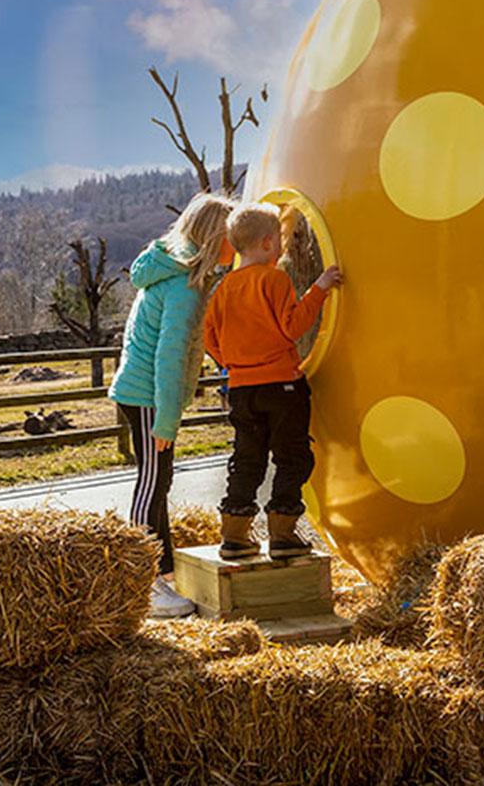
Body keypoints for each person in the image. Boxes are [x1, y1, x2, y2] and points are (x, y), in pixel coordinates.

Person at [109, 192, 236, 618]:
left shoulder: (172, 273)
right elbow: (168, 357)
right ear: (214, 238)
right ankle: (141, 583)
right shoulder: (182, 287)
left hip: (145, 394)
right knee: (151, 481)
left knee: (159, 481)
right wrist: (166, 419)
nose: (235, 244)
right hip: (148, 396)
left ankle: (159, 572)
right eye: (231, 236)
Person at [204, 201, 342, 561]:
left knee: (247, 458)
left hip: (241, 390)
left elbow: (209, 338)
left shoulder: (223, 289)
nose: (282, 247)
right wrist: (320, 288)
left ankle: (234, 536)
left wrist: (235, 363)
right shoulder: (274, 279)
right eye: (280, 240)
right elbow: (294, 327)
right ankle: (281, 533)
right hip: (281, 386)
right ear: (268, 244)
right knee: (292, 456)